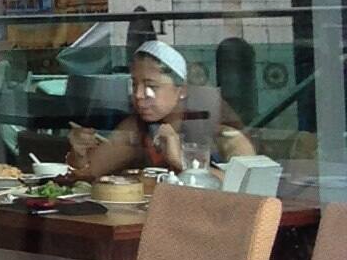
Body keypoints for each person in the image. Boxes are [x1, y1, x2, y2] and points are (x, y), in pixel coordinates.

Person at [68, 34, 252, 179]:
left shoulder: (219, 127)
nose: (139, 95)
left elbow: (248, 186)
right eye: (134, 85)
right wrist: (79, 153)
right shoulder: (138, 129)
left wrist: (181, 161)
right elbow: (88, 172)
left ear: (181, 90)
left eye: (151, 86)